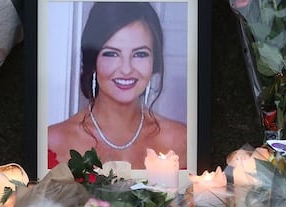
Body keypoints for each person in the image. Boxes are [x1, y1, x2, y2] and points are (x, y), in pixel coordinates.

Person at [48, 2, 187, 169]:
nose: (126, 69)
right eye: (111, 54)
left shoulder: (182, 140)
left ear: (154, 62)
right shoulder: (52, 142)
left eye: (140, 54)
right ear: (93, 61)